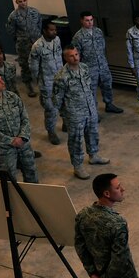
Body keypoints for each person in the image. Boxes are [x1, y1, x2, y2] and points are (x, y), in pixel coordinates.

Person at [53, 45, 109, 180]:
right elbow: (57, 100)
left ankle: (94, 155)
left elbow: (90, 88)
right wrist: (65, 116)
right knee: (76, 140)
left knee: (93, 133)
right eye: (71, 56)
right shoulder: (61, 76)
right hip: (74, 114)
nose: (75, 57)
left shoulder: (84, 68)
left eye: (76, 54)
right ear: (65, 58)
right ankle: (77, 166)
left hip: (90, 108)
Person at [0, 70, 38, 183]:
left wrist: (22, 137)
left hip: (23, 143)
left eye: (1, 79)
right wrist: (12, 141)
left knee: (31, 173)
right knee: (9, 181)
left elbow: (25, 117)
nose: (3, 82)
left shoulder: (12, 97)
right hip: (4, 149)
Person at [72, 11, 123, 114]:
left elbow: (103, 48)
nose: (90, 23)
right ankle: (93, 112)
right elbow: (77, 55)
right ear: (82, 21)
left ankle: (109, 105)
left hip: (103, 65)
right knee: (91, 91)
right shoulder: (78, 37)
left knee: (107, 85)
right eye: (87, 20)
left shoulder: (98, 32)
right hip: (89, 68)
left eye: (91, 20)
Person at [29, 20, 63, 144]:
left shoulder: (57, 40)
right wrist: (39, 82)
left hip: (60, 78)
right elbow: (33, 67)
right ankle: (51, 131)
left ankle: (65, 123)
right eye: (51, 30)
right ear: (44, 31)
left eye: (55, 30)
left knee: (63, 103)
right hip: (47, 82)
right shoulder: (37, 46)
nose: (54, 32)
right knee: (51, 109)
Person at [5, 0, 41, 97]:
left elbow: (39, 24)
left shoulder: (34, 12)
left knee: (40, 63)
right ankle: (28, 86)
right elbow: (11, 31)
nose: (23, 3)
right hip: (23, 44)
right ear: (16, 2)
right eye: (20, 1)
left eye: (24, 1)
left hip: (36, 42)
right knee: (25, 65)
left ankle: (41, 83)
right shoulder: (13, 16)